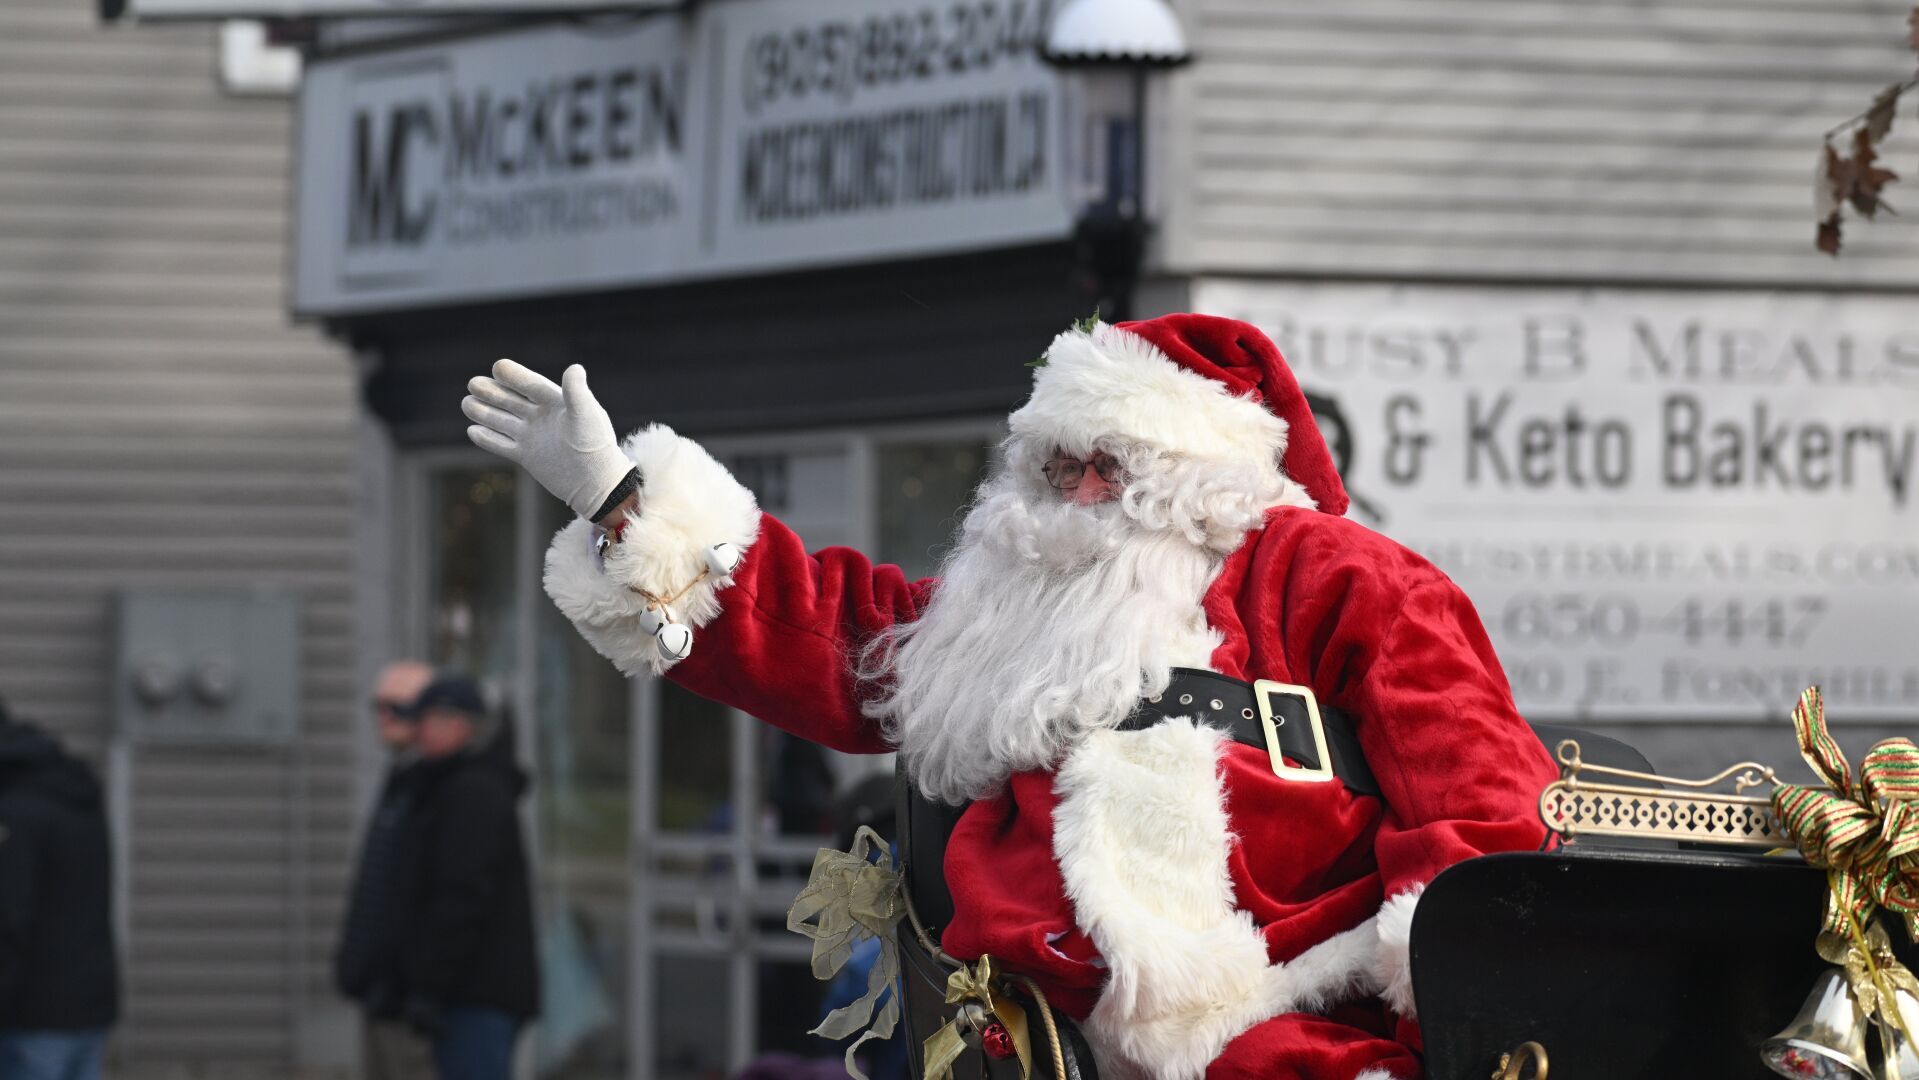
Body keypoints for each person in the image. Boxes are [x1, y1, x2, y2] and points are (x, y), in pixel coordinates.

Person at [462, 314, 1560, 1079]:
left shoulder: (1332, 576)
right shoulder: (1008, 599)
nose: (1078, 493)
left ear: (1203, 475)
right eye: (1058, 463)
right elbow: (830, 630)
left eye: (1112, 464)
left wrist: (1445, 991)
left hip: (1286, 1030)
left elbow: (1473, 786)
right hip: (1021, 1042)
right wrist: (623, 504)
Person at [398, 675, 538, 1080]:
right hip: (472, 991)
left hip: (477, 995)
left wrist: (429, 984)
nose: (418, 732)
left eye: (428, 719)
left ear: (461, 724)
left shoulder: (473, 793)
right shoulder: (453, 786)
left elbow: (462, 896)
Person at [0, 697, 118, 1080]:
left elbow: (9, 920)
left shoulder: (16, 812)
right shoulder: (74, 790)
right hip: (90, 1006)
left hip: (35, 1019)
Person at [335, 660, 436, 1080]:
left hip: (407, 997)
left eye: (396, 706)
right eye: (378, 706)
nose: (384, 717)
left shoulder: (433, 788)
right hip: (380, 989)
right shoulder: (400, 778)